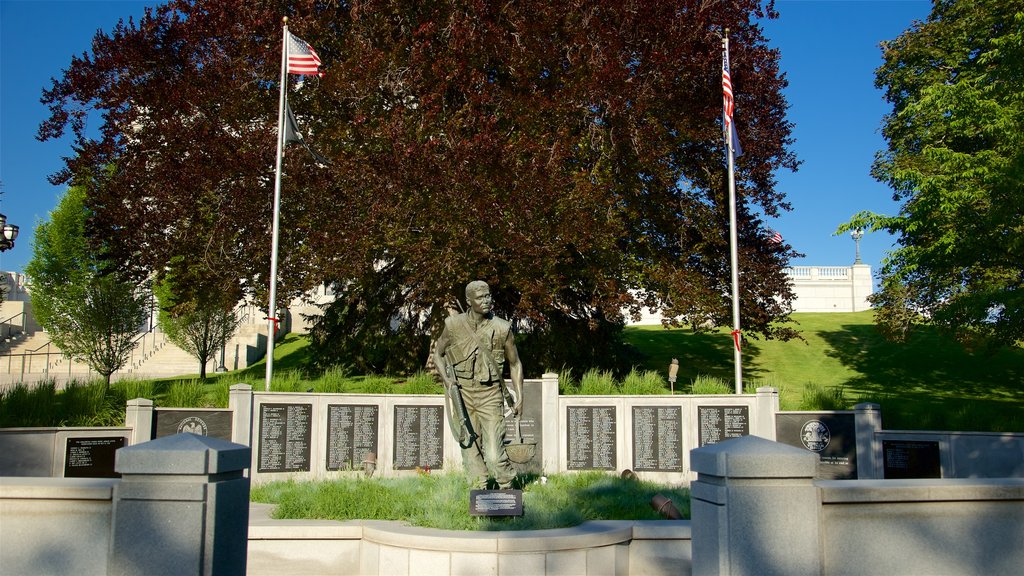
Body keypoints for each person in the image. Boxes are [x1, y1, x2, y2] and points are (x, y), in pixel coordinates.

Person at [433, 280, 523, 489]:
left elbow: (515, 363)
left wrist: (520, 395)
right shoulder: (453, 325)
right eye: (480, 297)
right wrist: (448, 382)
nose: (486, 300)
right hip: (463, 394)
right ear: (468, 301)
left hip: (490, 394)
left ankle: (507, 487)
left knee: (493, 452)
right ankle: (478, 489)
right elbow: (438, 354)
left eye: (488, 296)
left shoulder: (502, 328)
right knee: (469, 446)